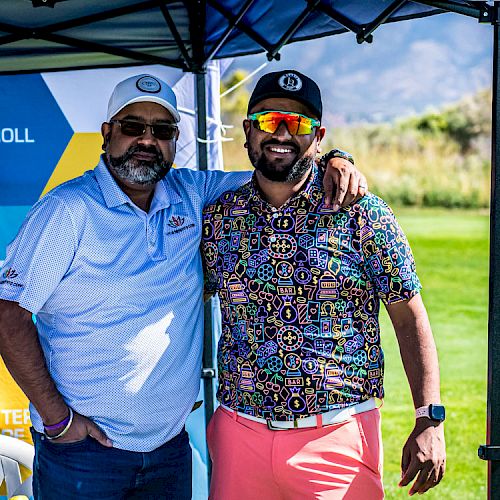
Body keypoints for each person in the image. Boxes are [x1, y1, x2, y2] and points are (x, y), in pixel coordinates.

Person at [0, 73, 366, 499]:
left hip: (168, 451)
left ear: (175, 140)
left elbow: (278, 171)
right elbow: (8, 312)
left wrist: (336, 159)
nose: (147, 140)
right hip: (85, 454)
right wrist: (57, 419)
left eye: (162, 131)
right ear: (107, 133)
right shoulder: (67, 210)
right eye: (133, 126)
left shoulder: (191, 193)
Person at [202, 69, 446, 499]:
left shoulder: (362, 212)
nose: (280, 133)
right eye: (266, 120)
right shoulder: (219, 216)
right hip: (239, 434)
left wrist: (429, 418)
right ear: (246, 131)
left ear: (318, 136)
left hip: (337, 437)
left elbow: (410, 319)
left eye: (297, 123)